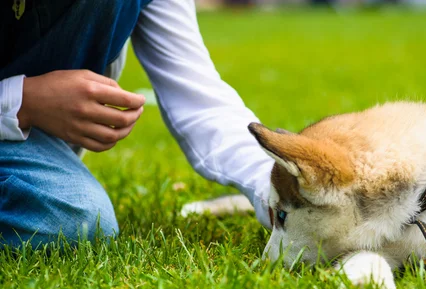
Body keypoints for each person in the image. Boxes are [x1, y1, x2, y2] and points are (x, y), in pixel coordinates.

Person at [0, 0, 274, 247]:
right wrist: (22, 102)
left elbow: (198, 97)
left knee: (81, 220)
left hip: (31, 141)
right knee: (71, 222)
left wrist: (273, 185)